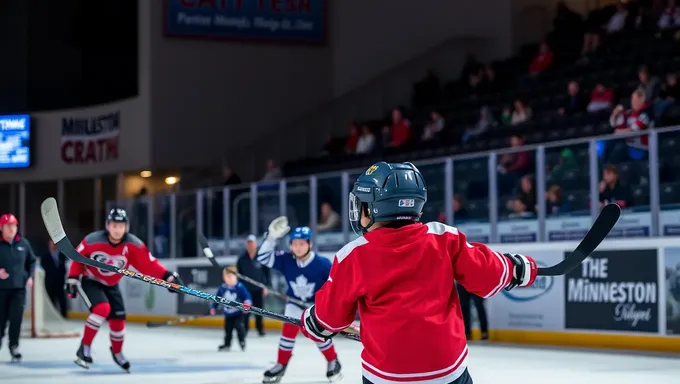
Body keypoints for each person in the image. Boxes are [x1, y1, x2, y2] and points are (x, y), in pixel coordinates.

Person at [298, 162, 538, 384]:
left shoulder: (353, 255)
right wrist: (517, 268)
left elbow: (332, 317)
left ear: (372, 208)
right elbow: (488, 275)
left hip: (386, 376)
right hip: (446, 371)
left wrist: (315, 322)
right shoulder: (443, 237)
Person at [65, 208, 184, 371]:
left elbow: (148, 265)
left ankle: (117, 352)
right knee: (102, 308)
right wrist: (72, 278)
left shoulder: (133, 245)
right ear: (107, 225)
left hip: (111, 284)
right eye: (114, 225)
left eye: (120, 226)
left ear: (126, 227)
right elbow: (77, 259)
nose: (117, 229)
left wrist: (168, 277)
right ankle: (84, 348)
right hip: (90, 279)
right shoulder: (92, 241)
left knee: (119, 321)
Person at [256, 225, 342, 383]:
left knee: (318, 335)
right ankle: (281, 364)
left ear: (309, 244)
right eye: (295, 244)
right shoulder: (286, 260)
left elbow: (335, 286)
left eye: (302, 244)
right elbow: (262, 258)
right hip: (294, 303)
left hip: (315, 305)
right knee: (287, 334)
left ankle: (333, 360)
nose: (298, 247)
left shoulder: (322, 264)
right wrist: (270, 239)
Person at [0, 214, 36, 362]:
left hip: (19, 290)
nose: (12, 229)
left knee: (16, 319)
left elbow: (32, 262)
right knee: (0, 321)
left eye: (14, 226)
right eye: (8, 226)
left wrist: (30, 277)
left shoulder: (24, 244)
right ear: (1, 228)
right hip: (1, 290)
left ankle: (14, 347)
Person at [209, 266, 251, 351]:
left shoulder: (240, 287)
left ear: (236, 277)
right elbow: (217, 299)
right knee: (228, 330)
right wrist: (213, 307)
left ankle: (242, 341)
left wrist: (247, 304)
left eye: (230, 276)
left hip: (238, 314)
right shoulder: (223, 287)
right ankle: (227, 344)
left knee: (240, 328)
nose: (228, 279)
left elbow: (247, 296)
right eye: (226, 277)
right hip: (228, 314)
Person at [236, 234, 269, 336]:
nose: (250, 245)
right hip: (246, 290)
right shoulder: (242, 259)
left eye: (252, 243)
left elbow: (267, 273)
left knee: (259, 310)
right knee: (246, 310)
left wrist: (265, 286)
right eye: (249, 243)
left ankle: (260, 329)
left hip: (258, 288)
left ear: (255, 244)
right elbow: (238, 274)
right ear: (247, 245)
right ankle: (245, 329)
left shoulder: (261, 257)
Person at [42, 239, 68, 317]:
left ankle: (64, 316)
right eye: (52, 244)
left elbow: (64, 269)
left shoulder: (61, 255)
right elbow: (44, 269)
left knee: (62, 300)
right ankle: (51, 316)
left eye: (55, 244)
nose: (54, 245)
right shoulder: (45, 256)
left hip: (60, 283)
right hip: (50, 283)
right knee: (51, 300)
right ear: (49, 245)